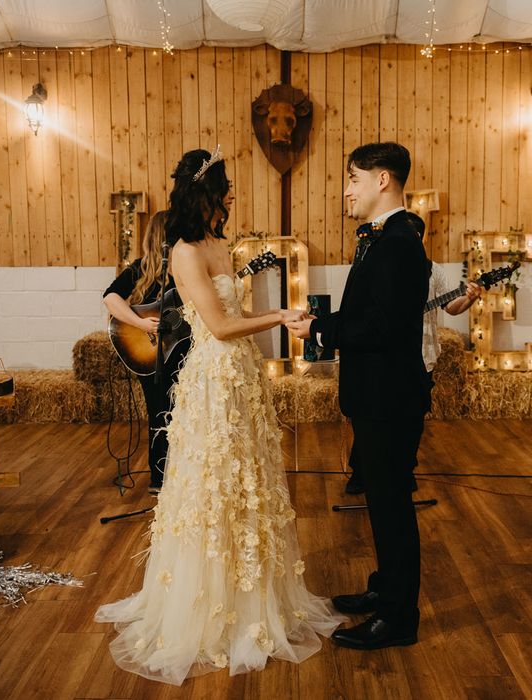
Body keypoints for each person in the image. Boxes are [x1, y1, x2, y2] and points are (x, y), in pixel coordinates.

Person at [95, 147, 344, 685]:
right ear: (204, 194)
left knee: (247, 479)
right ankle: (211, 602)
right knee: (215, 481)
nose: (232, 194)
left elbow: (234, 314)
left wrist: (274, 315)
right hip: (213, 375)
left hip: (242, 378)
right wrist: (279, 315)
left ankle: (251, 592)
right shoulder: (185, 251)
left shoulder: (219, 243)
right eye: (226, 187)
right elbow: (219, 327)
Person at [287, 142, 431, 650]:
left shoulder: (398, 243)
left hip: (389, 399)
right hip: (375, 395)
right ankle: (386, 589)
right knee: (380, 502)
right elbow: (365, 311)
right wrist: (323, 324)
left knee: (392, 507)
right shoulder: (379, 238)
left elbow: (382, 327)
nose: (346, 189)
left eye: (353, 178)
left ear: (383, 180)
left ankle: (398, 618)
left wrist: (321, 333)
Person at [343, 211, 483, 495]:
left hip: (421, 355)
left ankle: (405, 470)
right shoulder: (376, 264)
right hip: (383, 356)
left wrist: (467, 298)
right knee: (373, 418)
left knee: (412, 419)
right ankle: (360, 472)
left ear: (419, 238)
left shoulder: (434, 271)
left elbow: (451, 307)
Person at [103, 210, 188, 495]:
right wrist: (139, 322)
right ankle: (160, 477)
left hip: (185, 352)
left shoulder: (188, 271)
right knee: (159, 414)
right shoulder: (140, 269)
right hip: (150, 357)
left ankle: (187, 476)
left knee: (186, 414)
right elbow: (110, 297)